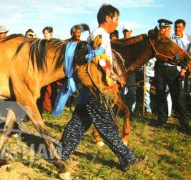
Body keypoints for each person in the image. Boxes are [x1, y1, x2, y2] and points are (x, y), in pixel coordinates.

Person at [58, 4, 146, 172]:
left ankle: (60, 153)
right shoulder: (100, 35)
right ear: (107, 18)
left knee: (79, 121)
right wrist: (114, 76)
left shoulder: (98, 34)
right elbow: (100, 60)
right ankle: (129, 160)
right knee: (108, 125)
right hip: (98, 88)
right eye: (116, 19)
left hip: (90, 87)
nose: (117, 24)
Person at [154, 19, 190, 133]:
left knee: (177, 96)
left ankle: (184, 123)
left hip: (172, 70)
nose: (163, 30)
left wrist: (182, 70)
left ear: (168, 29)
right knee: (160, 93)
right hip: (160, 68)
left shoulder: (176, 40)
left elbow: (182, 55)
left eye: (165, 28)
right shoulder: (159, 39)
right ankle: (161, 119)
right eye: (161, 28)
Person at [168, 19, 190, 132]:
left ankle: (184, 122)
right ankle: (181, 122)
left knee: (182, 97)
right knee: (175, 96)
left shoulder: (189, 40)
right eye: (176, 27)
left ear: (184, 28)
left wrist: (184, 69)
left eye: (179, 27)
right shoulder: (170, 40)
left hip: (185, 72)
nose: (177, 29)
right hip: (172, 71)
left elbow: (189, 56)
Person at [120, 24, 137, 113]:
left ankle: (129, 110)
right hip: (121, 70)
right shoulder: (120, 42)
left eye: (127, 31)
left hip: (131, 70)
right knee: (120, 90)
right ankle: (121, 109)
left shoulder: (135, 42)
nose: (126, 33)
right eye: (124, 31)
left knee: (131, 90)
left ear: (131, 32)